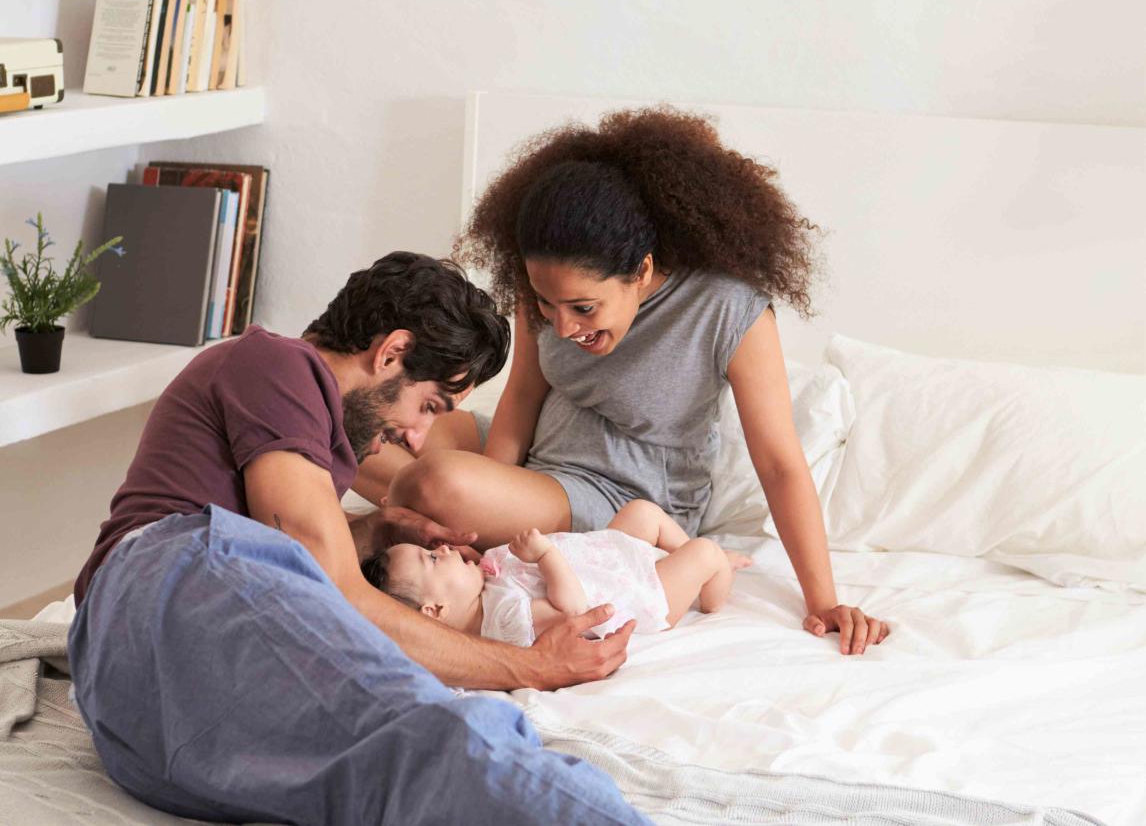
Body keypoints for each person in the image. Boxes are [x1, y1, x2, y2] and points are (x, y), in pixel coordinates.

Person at [68, 252, 651, 826]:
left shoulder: (306, 432)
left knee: (383, 782)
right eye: (428, 405)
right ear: (391, 352)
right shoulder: (278, 363)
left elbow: (282, 555)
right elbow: (333, 588)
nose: (421, 438)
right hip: (165, 577)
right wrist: (531, 666)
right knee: (433, 742)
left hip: (135, 718)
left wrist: (372, 529)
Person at [367, 108, 890, 657]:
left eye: (584, 307)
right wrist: (499, 492)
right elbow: (523, 393)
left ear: (640, 271)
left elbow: (781, 464)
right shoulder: (545, 283)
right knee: (358, 423)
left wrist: (824, 599)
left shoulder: (729, 312)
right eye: (548, 305)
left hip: (620, 496)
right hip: (540, 457)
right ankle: (421, 508)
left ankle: (410, 511)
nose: (563, 326)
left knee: (434, 483)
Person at [363, 498, 753, 647]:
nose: (442, 549)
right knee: (704, 552)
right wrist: (545, 553)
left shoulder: (483, 592)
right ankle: (715, 584)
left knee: (642, 513)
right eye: (431, 559)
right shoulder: (504, 620)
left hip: (605, 562)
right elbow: (571, 608)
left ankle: (691, 559)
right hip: (634, 595)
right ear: (436, 610)